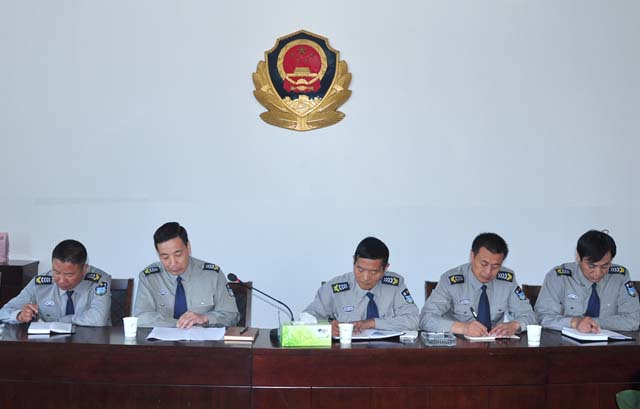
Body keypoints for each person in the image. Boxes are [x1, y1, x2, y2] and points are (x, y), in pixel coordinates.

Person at [420, 233, 535, 337]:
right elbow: (426, 318)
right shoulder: (451, 280)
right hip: (457, 346)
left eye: (495, 266)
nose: (488, 272)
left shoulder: (507, 280)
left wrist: (514, 325)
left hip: (494, 347)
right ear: (472, 256)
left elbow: (530, 315)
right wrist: (463, 328)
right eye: (483, 264)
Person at [302, 236, 419, 337]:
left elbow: (413, 320)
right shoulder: (335, 288)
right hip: (346, 352)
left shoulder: (395, 285)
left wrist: (372, 323)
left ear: (385, 268)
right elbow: (306, 318)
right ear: (354, 261)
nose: (365, 277)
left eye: (373, 272)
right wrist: (326, 327)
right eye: (360, 269)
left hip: (388, 352)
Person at [134, 222, 239, 328]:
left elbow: (231, 316)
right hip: (161, 338)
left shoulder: (212, 275)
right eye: (165, 257)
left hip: (203, 338)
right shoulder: (149, 278)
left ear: (188, 247)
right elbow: (142, 318)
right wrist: (180, 324)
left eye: (178, 254)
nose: (173, 263)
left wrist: (205, 318)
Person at [535, 230, 640, 332]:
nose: (598, 273)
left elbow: (633, 320)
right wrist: (574, 322)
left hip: (610, 342)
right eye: (592, 266)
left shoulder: (620, 277)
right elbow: (542, 317)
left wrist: (592, 323)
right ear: (578, 257)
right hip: (564, 342)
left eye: (605, 266)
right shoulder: (560, 277)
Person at [0, 239, 111, 326]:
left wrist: (60, 321)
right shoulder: (41, 283)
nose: (61, 280)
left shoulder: (99, 281)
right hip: (52, 345)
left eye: (69, 275)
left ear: (84, 269)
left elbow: (98, 319)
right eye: (56, 272)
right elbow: (3, 312)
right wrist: (19, 315)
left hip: (91, 344)